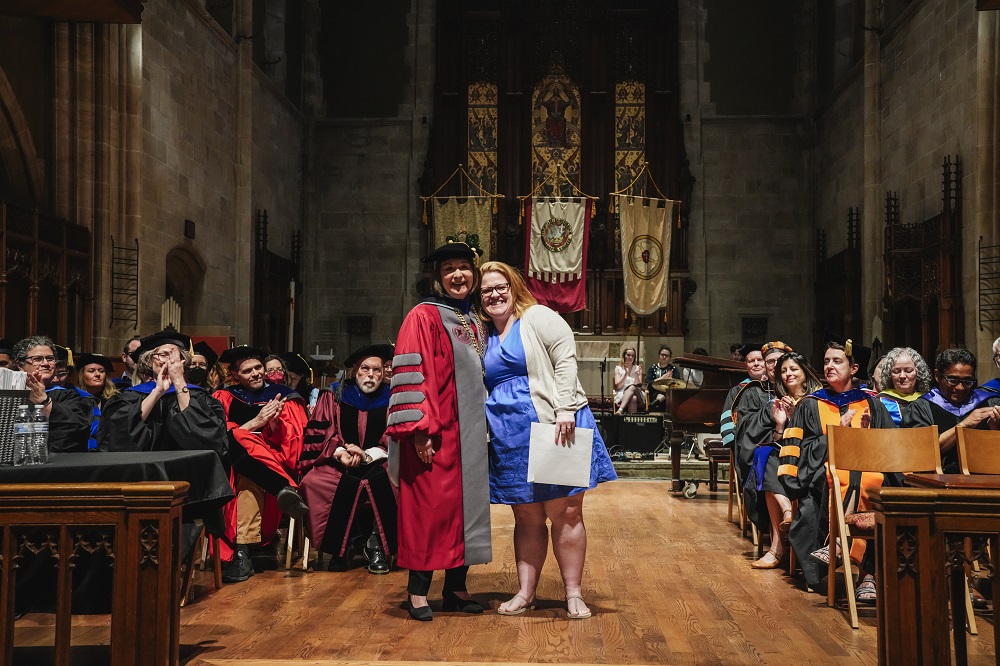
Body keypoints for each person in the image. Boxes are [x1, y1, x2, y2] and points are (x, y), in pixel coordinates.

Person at [480, 261, 616, 619]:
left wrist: (566, 407)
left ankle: (573, 593)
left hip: (555, 422)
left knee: (566, 511)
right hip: (510, 434)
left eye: (500, 287)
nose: (494, 294)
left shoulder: (537, 316)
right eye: (486, 290)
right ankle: (526, 593)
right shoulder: (483, 333)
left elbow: (565, 358)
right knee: (525, 516)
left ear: (514, 287)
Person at [385, 241, 491, 622]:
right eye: (450, 269)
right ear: (438, 277)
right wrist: (417, 430)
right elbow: (411, 375)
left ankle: (456, 587)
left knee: (465, 512)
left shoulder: (474, 319)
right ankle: (417, 591)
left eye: (465, 268)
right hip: (434, 433)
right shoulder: (423, 316)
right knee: (428, 512)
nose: (458, 275)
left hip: (470, 437)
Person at [777, 340, 897, 593]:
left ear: (853, 369)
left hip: (869, 472)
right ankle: (866, 574)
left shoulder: (872, 403)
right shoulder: (810, 404)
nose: (829, 366)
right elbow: (799, 451)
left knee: (866, 479)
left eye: (837, 361)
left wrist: (865, 435)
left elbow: (889, 449)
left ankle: (847, 554)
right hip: (821, 474)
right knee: (844, 476)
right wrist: (835, 436)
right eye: (826, 361)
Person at [214, 345, 310, 583]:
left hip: (274, 460)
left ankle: (242, 552)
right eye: (248, 370)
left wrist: (275, 426)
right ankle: (283, 488)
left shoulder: (285, 397)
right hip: (235, 466)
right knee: (241, 440)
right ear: (235, 375)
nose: (256, 373)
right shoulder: (223, 397)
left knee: (248, 469)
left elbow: (294, 446)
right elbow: (218, 438)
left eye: (259, 367)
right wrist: (256, 423)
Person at [299, 344, 397, 574]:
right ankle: (343, 546)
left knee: (394, 483)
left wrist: (368, 454)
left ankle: (376, 544)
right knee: (314, 482)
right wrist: (340, 452)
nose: (371, 375)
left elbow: (395, 436)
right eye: (365, 368)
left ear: (384, 372)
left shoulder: (393, 397)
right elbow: (321, 434)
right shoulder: (333, 394)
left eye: (377, 369)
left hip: (380, 460)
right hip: (338, 460)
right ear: (355, 370)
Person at [748, 351, 822, 569]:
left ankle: (777, 548)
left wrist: (797, 416)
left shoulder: (819, 399)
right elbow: (781, 440)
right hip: (788, 456)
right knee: (767, 456)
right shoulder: (780, 402)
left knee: (770, 460)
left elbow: (816, 437)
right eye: (783, 371)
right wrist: (782, 424)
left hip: (810, 459)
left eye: (793, 369)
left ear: (805, 372)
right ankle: (786, 515)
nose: (788, 374)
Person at [910, 348, 1000, 473]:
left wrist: (995, 430)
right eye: (953, 380)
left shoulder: (989, 402)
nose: (960, 387)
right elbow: (922, 453)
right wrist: (964, 424)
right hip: (939, 481)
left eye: (967, 381)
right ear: (937, 376)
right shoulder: (922, 408)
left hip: (986, 477)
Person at [13, 336, 91, 453]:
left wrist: (45, 401)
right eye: (38, 359)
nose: (46, 364)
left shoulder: (67, 395)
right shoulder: (9, 394)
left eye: (50, 359)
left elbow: (78, 427)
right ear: (20, 365)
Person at [719, 346, 765, 451]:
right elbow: (727, 418)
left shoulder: (776, 389)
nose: (756, 363)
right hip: (744, 446)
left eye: (760, 360)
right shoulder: (737, 390)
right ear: (746, 365)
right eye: (751, 361)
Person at [876, 346, 933, 426]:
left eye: (908, 371)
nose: (902, 376)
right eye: (896, 371)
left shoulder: (929, 400)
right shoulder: (880, 402)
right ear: (889, 375)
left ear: (919, 373)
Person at [75, 353, 119, 451]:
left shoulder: (115, 400)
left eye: (101, 371)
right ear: (82, 375)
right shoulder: (74, 399)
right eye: (91, 371)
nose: (97, 374)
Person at [646, 345, 678, 411]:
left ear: (669, 358)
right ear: (659, 355)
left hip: (670, 395)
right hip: (654, 394)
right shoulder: (652, 368)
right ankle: (656, 402)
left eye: (666, 355)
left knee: (666, 389)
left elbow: (678, 383)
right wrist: (661, 378)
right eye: (662, 355)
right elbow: (648, 383)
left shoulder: (673, 369)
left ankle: (656, 403)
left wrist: (671, 381)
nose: (664, 357)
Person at [613, 346, 644, 414]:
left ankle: (620, 409)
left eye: (633, 356)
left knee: (633, 387)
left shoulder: (638, 368)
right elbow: (618, 386)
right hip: (623, 393)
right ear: (624, 356)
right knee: (633, 399)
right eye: (628, 355)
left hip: (638, 393)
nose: (630, 357)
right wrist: (626, 374)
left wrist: (636, 374)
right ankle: (632, 423)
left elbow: (639, 386)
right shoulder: (618, 368)